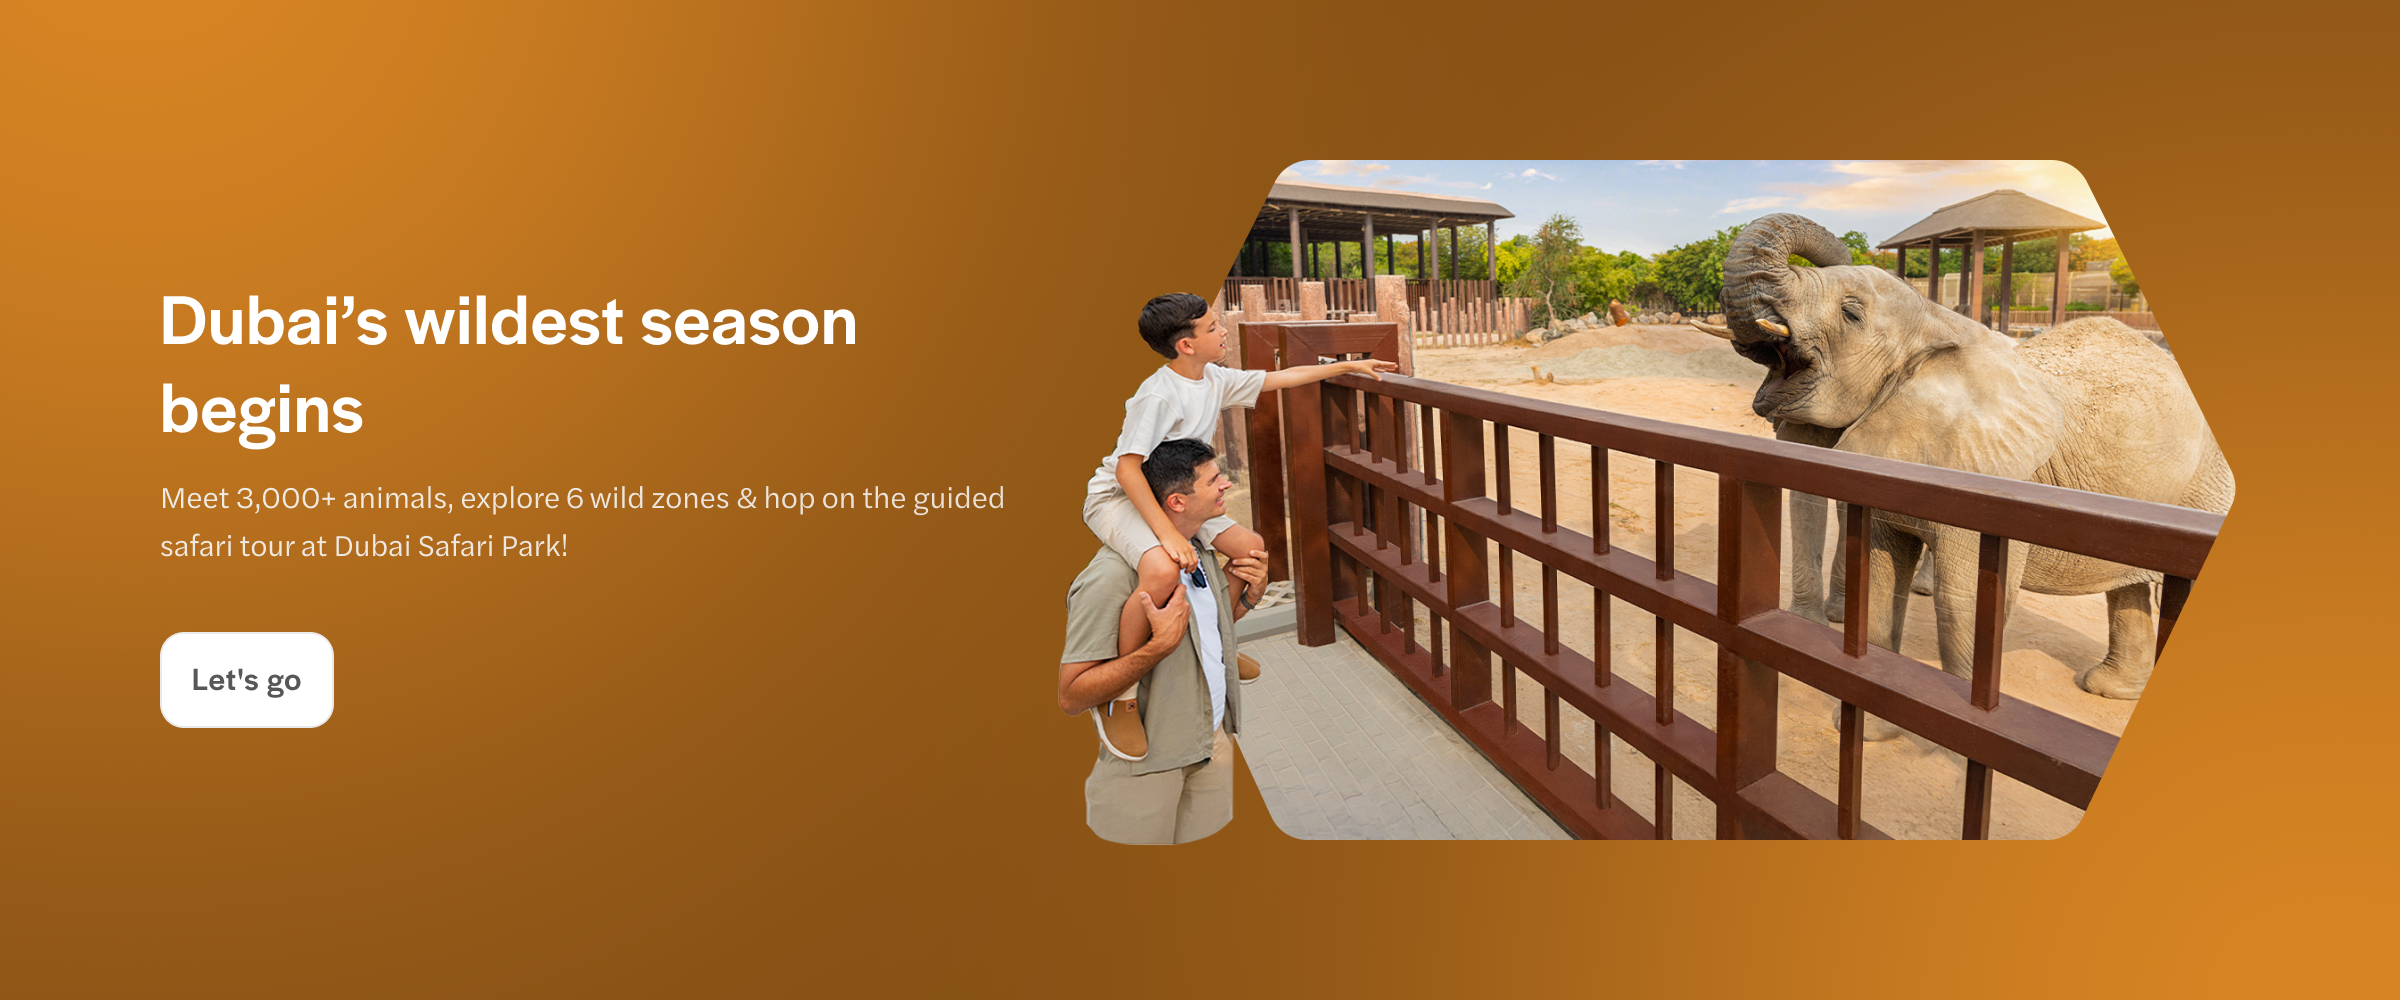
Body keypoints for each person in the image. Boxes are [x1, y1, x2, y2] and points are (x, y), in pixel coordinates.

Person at [1079, 293, 1393, 762]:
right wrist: (1167, 536)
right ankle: (1121, 697)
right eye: (1212, 327)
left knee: (1250, 548)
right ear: (1186, 344)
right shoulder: (1157, 395)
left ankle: (1219, 645)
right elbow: (1127, 469)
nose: (1223, 330)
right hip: (1122, 497)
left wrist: (1344, 369)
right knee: (1163, 571)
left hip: (1181, 496)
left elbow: (1277, 379)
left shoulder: (1212, 378)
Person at [1058, 440, 1267, 844]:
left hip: (1212, 743)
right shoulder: (1111, 579)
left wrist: (1247, 600)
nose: (1226, 485)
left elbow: (1201, 629)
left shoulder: (1200, 554)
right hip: (1148, 767)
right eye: (1214, 480)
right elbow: (1071, 696)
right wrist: (1156, 648)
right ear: (1176, 502)